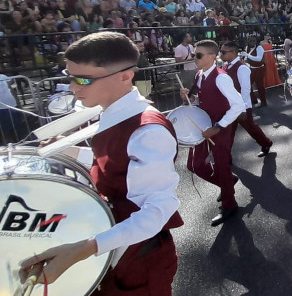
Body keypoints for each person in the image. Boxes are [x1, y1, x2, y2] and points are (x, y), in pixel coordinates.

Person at [19, 32, 183, 293]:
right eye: (69, 77)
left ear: (125, 76)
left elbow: (158, 211)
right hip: (113, 247)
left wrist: (86, 248)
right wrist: (70, 153)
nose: (73, 87)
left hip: (137, 259)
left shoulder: (148, 131)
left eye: (83, 79)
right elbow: (115, 166)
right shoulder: (111, 113)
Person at [181, 40, 245, 227]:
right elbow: (202, 98)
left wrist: (218, 127)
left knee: (221, 165)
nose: (194, 58)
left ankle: (229, 204)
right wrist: (189, 97)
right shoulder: (200, 75)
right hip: (203, 126)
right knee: (194, 164)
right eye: (194, 54)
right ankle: (226, 184)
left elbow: (238, 105)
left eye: (198, 55)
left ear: (211, 57)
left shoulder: (221, 77)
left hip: (219, 128)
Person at [220, 42, 273, 157]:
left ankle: (266, 143)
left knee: (251, 128)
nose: (221, 54)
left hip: (241, 107)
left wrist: (243, 108)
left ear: (233, 52)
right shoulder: (225, 66)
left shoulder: (242, 68)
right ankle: (225, 155)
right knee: (228, 132)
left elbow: (245, 90)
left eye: (223, 52)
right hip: (230, 106)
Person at [242, 37, 268, 107]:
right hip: (251, 69)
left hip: (259, 69)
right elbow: (246, 58)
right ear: (248, 41)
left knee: (260, 86)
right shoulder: (247, 48)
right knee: (248, 85)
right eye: (251, 41)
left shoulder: (259, 48)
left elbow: (258, 59)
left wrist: (247, 55)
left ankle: (263, 101)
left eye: (254, 41)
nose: (253, 42)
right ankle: (254, 100)